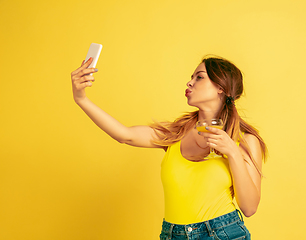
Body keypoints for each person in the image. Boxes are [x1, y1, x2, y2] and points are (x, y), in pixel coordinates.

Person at [71, 55, 267, 240]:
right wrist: (81, 99)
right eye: (191, 77)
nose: (189, 83)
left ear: (221, 88)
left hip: (222, 233)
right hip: (173, 234)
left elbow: (249, 208)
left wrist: (232, 152)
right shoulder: (176, 134)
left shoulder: (245, 141)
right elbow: (125, 135)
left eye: (199, 77)